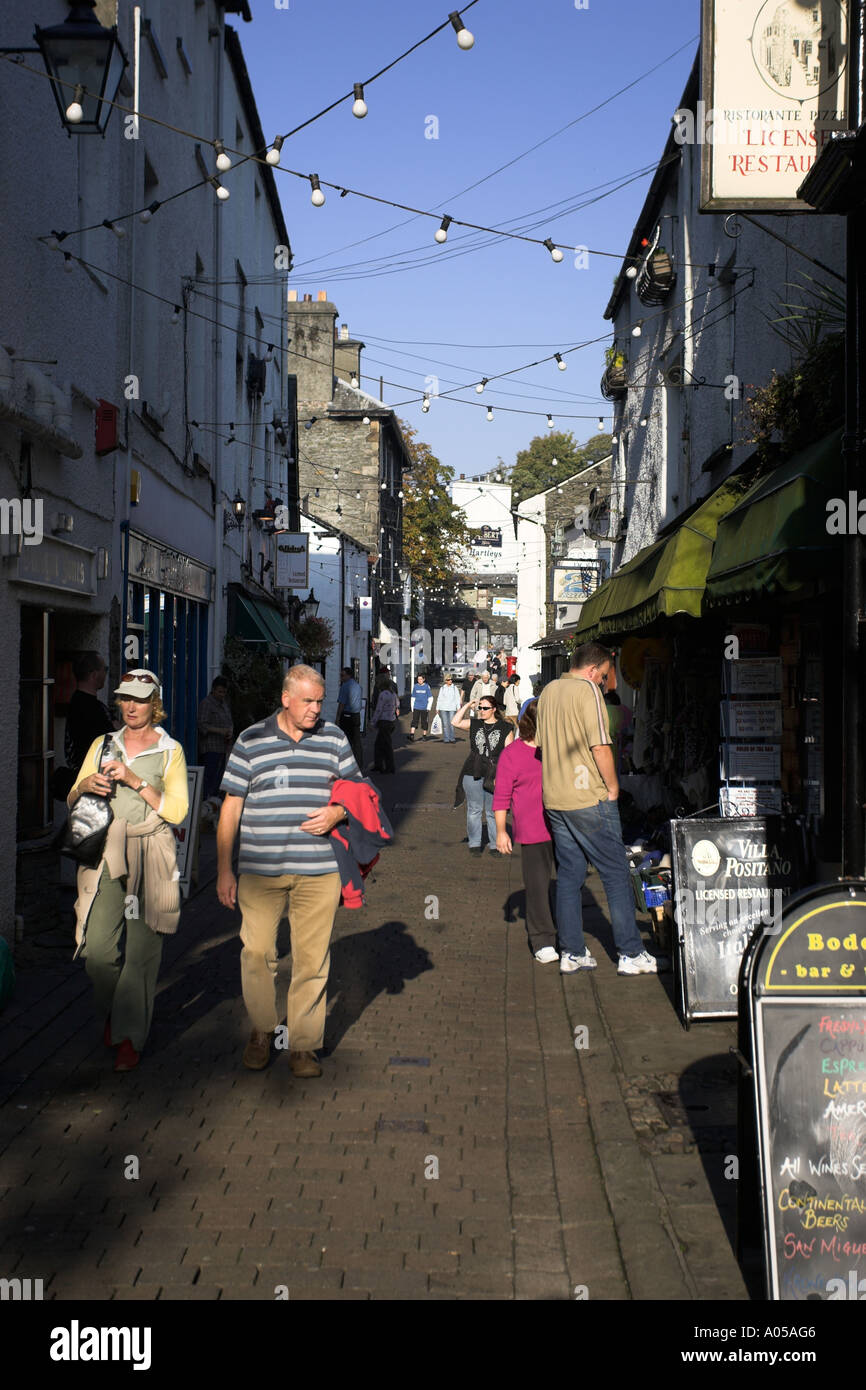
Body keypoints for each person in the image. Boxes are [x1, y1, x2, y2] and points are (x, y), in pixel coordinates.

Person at [216, 665, 360, 1076]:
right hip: (261, 871)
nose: (317, 709)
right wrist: (224, 869)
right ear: (285, 699)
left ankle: (303, 1045)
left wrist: (338, 810)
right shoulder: (251, 739)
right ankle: (263, 1029)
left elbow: (359, 792)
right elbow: (231, 807)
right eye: (308, 701)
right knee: (258, 952)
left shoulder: (333, 739)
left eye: (320, 700)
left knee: (312, 960)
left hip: (319, 871)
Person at [68, 669, 189, 1071]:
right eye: (125, 698)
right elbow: (72, 796)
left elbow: (176, 810)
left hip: (151, 851)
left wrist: (136, 780)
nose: (131, 707)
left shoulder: (171, 750)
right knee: (98, 953)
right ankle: (117, 1013)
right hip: (107, 851)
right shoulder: (103, 744)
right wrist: (86, 786)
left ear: (155, 703)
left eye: (140, 699)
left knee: (141, 954)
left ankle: (129, 1037)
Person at [535, 642, 657, 977]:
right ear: (593, 671)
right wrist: (614, 788)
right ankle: (631, 952)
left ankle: (572, 952)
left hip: (556, 798)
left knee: (570, 876)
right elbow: (600, 746)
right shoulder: (587, 691)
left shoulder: (548, 692)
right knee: (616, 874)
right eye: (604, 677)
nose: (604, 684)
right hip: (588, 797)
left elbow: (542, 746)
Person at [493, 700, 558, 963]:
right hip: (532, 829)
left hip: (563, 826)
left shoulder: (555, 749)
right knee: (538, 885)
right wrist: (501, 831)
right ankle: (542, 939)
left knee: (567, 884)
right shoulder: (512, 755)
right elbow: (501, 797)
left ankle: (569, 937)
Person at [452, 690, 514, 855]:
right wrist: (467, 705)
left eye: (485, 708)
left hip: (495, 772)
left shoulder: (505, 727)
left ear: (494, 709)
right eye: (480, 708)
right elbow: (455, 722)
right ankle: (474, 844)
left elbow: (509, 755)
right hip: (473, 769)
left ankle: (495, 845)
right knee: (474, 809)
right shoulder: (475, 724)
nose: (481, 711)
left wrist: (504, 776)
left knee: (493, 811)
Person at [65, 651, 113, 774]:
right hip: (92, 776)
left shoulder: (77, 702)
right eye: (105, 669)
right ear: (94, 674)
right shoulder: (91, 709)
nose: (105, 673)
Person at [197, 676, 234, 800]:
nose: (221, 694)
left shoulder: (224, 704)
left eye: (224, 692)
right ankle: (205, 802)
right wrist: (220, 731)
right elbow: (202, 724)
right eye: (219, 691)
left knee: (219, 778)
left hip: (222, 747)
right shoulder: (207, 703)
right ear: (213, 690)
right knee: (209, 778)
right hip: (210, 747)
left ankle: (214, 802)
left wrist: (229, 731)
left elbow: (229, 721)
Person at [336, 666, 364, 768]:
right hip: (356, 715)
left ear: (348, 675)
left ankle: (347, 764)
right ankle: (359, 763)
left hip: (347, 715)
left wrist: (338, 717)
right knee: (356, 740)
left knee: (346, 740)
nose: (341, 678)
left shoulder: (345, 686)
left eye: (342, 675)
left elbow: (341, 704)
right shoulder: (357, 686)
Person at [371, 674, 399, 774]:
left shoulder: (383, 695)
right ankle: (379, 765)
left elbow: (379, 710)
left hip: (384, 722)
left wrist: (373, 722)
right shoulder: (393, 694)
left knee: (386, 746)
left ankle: (389, 767)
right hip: (391, 721)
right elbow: (397, 705)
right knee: (379, 744)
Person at [435, 671, 460, 743]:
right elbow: (439, 699)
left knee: (451, 724)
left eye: (451, 679)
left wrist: (458, 708)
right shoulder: (442, 688)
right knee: (445, 724)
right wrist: (437, 708)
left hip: (452, 708)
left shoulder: (455, 688)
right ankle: (446, 738)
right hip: (443, 708)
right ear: (445, 680)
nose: (450, 681)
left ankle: (452, 738)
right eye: (448, 680)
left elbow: (457, 698)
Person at [408, 671, 433, 741]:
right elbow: (413, 697)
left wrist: (428, 707)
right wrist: (412, 707)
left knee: (424, 722)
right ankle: (412, 735)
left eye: (421, 679)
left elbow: (430, 698)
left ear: (424, 679)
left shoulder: (427, 687)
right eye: (418, 679)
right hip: (416, 707)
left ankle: (424, 736)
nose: (419, 681)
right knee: (414, 721)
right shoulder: (415, 686)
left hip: (424, 708)